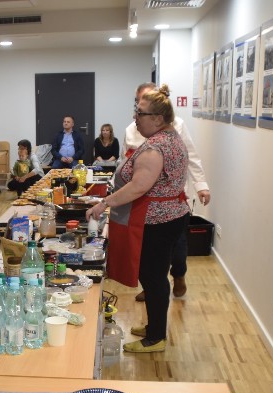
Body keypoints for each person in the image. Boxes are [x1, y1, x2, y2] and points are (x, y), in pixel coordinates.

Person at [86, 84, 189, 354]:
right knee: (154, 276)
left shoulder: (156, 147)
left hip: (158, 221)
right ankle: (155, 326)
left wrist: (104, 203)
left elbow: (138, 187)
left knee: (153, 277)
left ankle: (156, 337)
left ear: (158, 118)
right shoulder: (170, 137)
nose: (135, 117)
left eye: (140, 113)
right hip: (170, 216)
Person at [125, 82, 211, 301]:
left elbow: (191, 156)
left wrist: (201, 185)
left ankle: (179, 274)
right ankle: (152, 287)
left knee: (177, 247)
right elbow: (125, 162)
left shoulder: (177, 126)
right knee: (149, 252)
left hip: (172, 202)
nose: (140, 108)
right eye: (138, 102)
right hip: (143, 202)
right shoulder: (131, 129)